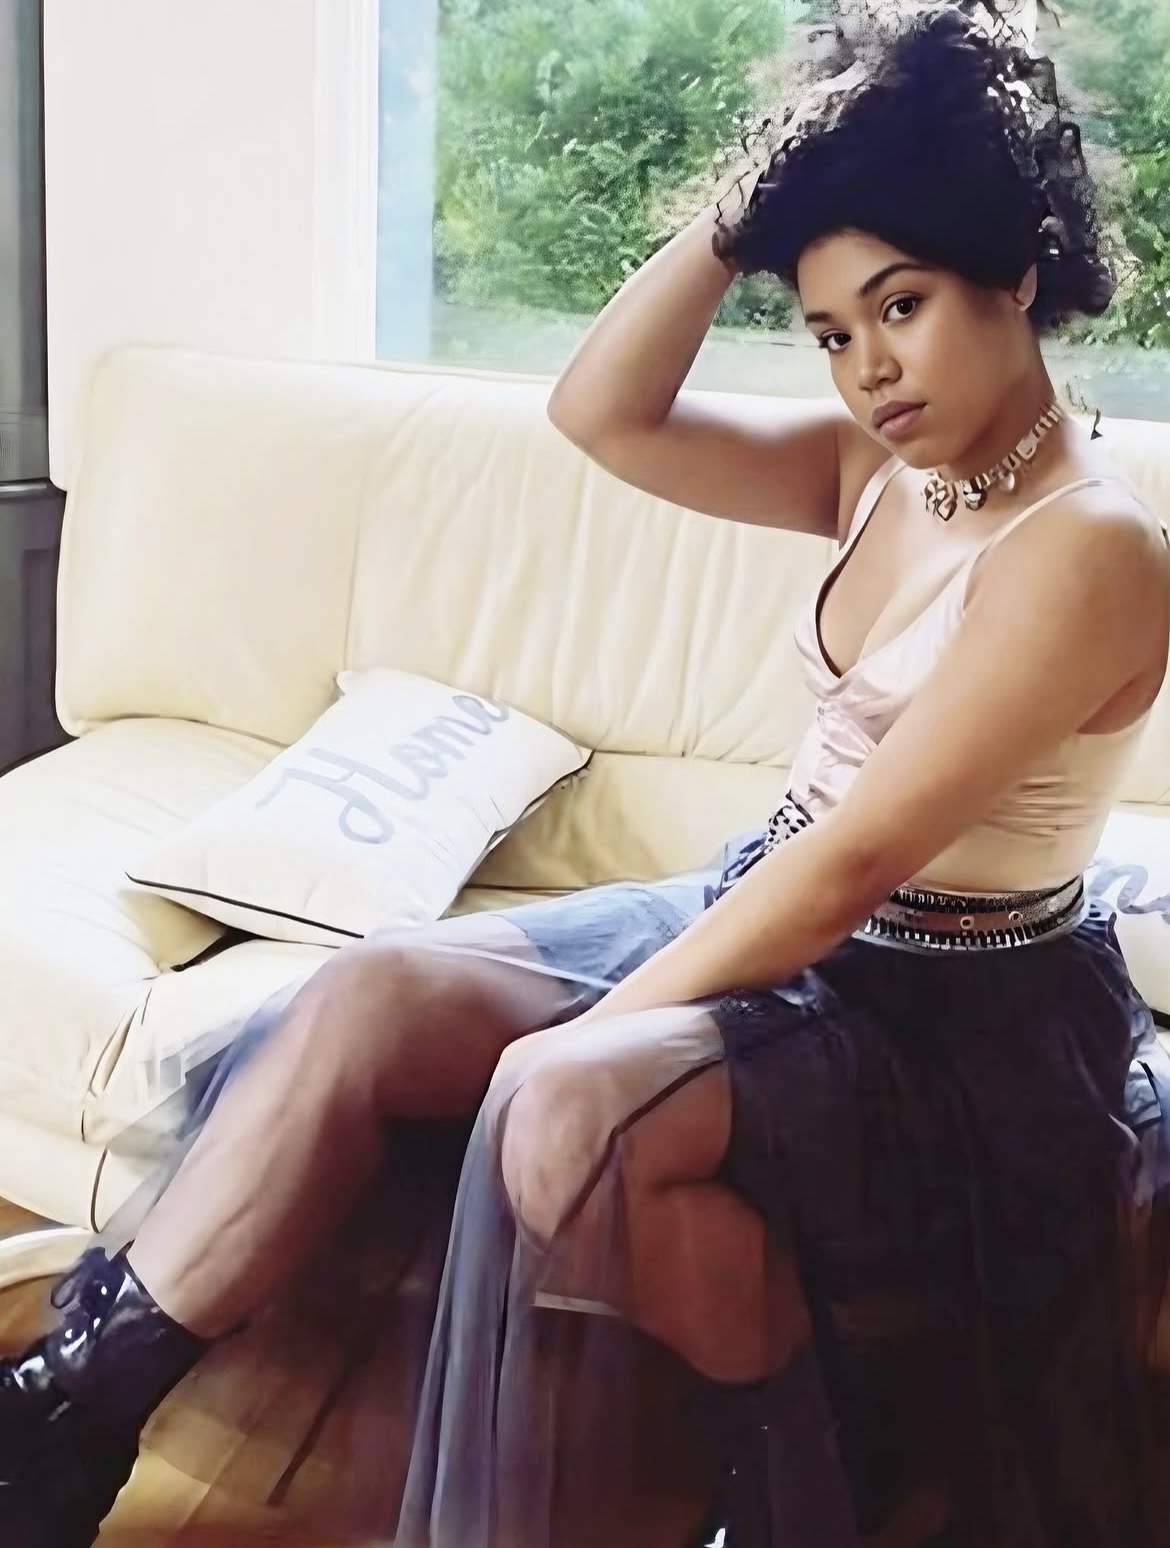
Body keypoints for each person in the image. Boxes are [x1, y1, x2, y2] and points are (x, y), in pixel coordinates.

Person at [4, 1, 1170, 1544]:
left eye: (900, 306)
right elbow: (599, 415)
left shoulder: (1087, 549)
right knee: (371, 995)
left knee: (560, 1107)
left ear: (1015, 274)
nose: (867, 369)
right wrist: (744, 211)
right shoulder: (880, 471)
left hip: (950, 1013)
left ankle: (805, 1474)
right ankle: (64, 1421)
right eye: (830, 332)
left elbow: (853, 867)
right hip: (773, 907)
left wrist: (583, 1034)